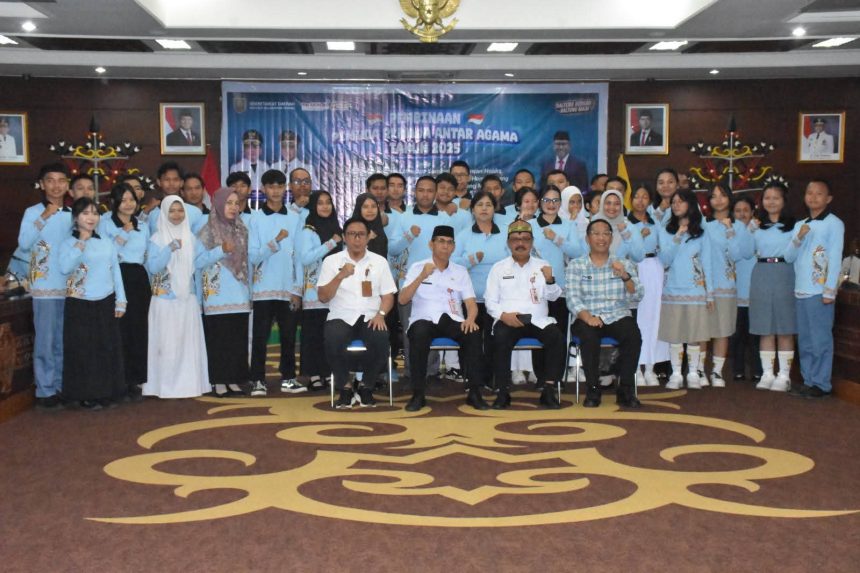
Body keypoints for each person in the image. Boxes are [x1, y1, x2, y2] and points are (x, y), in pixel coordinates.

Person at [400, 225, 487, 411]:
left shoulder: (460, 271)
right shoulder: (417, 267)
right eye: (440, 241)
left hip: (452, 319)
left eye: (449, 243)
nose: (445, 246)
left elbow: (471, 303)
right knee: (419, 334)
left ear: (454, 247)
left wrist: (471, 319)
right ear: (431, 244)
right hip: (423, 319)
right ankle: (418, 393)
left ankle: (474, 392)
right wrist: (421, 276)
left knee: (473, 334)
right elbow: (403, 299)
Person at [484, 219, 566, 409]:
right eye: (515, 239)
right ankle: (503, 392)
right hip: (509, 319)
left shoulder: (542, 265)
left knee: (556, 337)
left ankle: (549, 389)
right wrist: (504, 316)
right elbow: (490, 301)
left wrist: (551, 280)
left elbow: (554, 297)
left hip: (538, 320)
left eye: (525, 239)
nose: (520, 243)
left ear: (532, 242)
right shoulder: (498, 268)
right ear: (508, 243)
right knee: (500, 338)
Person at [318, 217, 397, 409]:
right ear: (344, 237)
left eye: (361, 234)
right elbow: (322, 296)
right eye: (352, 234)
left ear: (368, 237)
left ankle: (366, 386)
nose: (356, 239)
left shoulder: (379, 262)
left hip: (371, 315)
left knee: (381, 338)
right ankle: (344, 386)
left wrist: (381, 314)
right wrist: (340, 275)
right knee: (332, 337)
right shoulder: (332, 261)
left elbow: (388, 295)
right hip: (341, 315)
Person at [567, 219, 644, 408]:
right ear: (587, 238)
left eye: (605, 234)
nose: (601, 238)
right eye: (596, 233)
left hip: (617, 314)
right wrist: (588, 318)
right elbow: (572, 299)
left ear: (611, 238)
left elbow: (639, 294)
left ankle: (625, 389)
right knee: (589, 336)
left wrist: (625, 276)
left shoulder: (623, 264)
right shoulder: (576, 265)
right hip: (588, 315)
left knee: (633, 335)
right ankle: (593, 389)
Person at [59, 197, 127, 410]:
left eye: (95, 213)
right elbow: (64, 267)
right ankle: (85, 394)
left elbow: (115, 270)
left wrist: (121, 300)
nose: (91, 217)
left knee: (106, 348)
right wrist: (81, 242)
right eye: (85, 213)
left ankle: (107, 391)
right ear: (76, 217)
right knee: (83, 350)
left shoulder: (105, 241)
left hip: (105, 299)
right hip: (79, 302)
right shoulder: (68, 242)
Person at [143, 196, 210, 399]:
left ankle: (188, 385)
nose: (177, 215)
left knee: (186, 345)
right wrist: (169, 248)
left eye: (180, 210)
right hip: (164, 300)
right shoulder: (156, 239)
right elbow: (153, 267)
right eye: (171, 211)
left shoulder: (192, 238)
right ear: (163, 213)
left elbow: (199, 265)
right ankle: (163, 386)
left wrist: (220, 252)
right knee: (166, 345)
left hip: (187, 300)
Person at [17, 163, 72, 409]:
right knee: (45, 341)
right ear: (42, 184)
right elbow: (25, 242)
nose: (56, 185)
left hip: (70, 288)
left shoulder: (74, 214)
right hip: (45, 288)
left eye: (61, 180)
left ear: (68, 185)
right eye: (50, 180)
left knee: (63, 341)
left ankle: (60, 386)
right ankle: (45, 390)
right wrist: (43, 217)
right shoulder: (33, 212)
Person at [785, 180, 844, 399]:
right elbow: (789, 257)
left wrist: (830, 290)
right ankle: (809, 380)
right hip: (800, 290)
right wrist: (798, 237)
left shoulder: (833, 223)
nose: (813, 197)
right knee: (806, 340)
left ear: (828, 199)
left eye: (819, 194)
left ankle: (821, 384)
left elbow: (836, 257)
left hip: (819, 292)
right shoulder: (801, 224)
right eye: (809, 192)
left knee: (820, 339)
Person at [248, 170, 304, 396]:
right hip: (262, 289)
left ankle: (289, 377)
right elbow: (252, 257)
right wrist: (275, 242)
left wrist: (298, 288)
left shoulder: (294, 217)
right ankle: (257, 380)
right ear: (263, 189)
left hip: (287, 287)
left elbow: (299, 255)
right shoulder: (255, 218)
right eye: (270, 186)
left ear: (286, 188)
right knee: (260, 336)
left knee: (289, 336)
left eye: (279, 186)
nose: (275, 191)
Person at [388, 176, 448, 376]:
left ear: (435, 193)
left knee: (433, 326)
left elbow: (451, 250)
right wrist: (409, 235)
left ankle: (431, 371)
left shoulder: (443, 218)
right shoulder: (404, 217)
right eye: (421, 190)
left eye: (429, 191)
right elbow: (393, 249)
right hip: (410, 283)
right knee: (409, 329)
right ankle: (413, 371)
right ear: (415, 192)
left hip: (437, 282)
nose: (425, 194)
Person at [197, 187, 252, 398]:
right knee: (219, 340)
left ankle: (234, 380)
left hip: (239, 292)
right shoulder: (207, 231)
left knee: (236, 339)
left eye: (236, 203)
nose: (233, 207)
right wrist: (221, 250)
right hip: (217, 294)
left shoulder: (241, 229)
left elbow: (246, 263)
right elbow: (198, 262)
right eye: (228, 203)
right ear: (218, 204)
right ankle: (219, 381)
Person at [453, 191, 510, 390]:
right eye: (480, 205)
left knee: (495, 340)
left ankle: (492, 379)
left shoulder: (505, 233)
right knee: (471, 340)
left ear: (495, 209)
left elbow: (514, 262)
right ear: (472, 210)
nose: (484, 208)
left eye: (488, 205)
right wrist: (471, 260)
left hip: (499, 299)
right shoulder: (463, 235)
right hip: (471, 299)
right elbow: (452, 266)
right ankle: (471, 379)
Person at [98, 183, 151, 400]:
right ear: (115, 202)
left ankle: (135, 381)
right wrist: (123, 234)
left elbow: (146, 256)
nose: (129, 204)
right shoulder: (104, 223)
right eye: (124, 199)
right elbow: (104, 253)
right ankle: (117, 379)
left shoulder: (143, 225)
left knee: (138, 330)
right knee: (119, 329)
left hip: (138, 279)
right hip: (115, 277)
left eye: (132, 199)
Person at [658, 190, 713, 390]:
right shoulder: (666, 230)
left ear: (690, 204)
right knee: (675, 334)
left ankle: (692, 373)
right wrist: (678, 235)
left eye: (681, 202)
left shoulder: (701, 232)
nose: (676, 205)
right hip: (673, 289)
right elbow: (664, 260)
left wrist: (710, 292)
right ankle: (675, 374)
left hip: (696, 290)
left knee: (693, 334)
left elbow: (707, 263)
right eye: (673, 202)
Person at [701, 184, 754, 387]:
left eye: (723, 195)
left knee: (722, 330)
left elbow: (739, 255)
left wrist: (730, 231)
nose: (718, 200)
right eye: (713, 196)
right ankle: (698, 370)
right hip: (704, 285)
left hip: (727, 285)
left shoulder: (739, 227)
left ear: (729, 198)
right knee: (702, 330)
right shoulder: (703, 225)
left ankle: (717, 372)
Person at [299, 191, 343, 391]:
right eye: (320, 203)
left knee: (330, 335)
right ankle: (314, 374)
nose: (325, 207)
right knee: (313, 335)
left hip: (335, 293)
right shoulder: (308, 230)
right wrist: (331, 243)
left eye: (328, 203)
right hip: (314, 293)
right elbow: (306, 259)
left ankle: (327, 372)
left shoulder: (337, 229)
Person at [529, 185, 585, 337]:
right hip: (536, 288)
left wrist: (556, 238)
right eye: (546, 199)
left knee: (559, 337)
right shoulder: (530, 225)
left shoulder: (568, 225)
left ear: (561, 203)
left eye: (555, 200)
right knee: (539, 336)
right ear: (540, 202)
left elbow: (577, 252)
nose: (551, 204)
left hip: (560, 288)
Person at [627, 183, 668, 387]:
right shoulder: (625, 223)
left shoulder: (655, 223)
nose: (640, 201)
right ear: (631, 199)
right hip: (635, 268)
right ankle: (636, 366)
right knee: (638, 319)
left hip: (654, 268)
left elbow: (663, 246)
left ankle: (651, 366)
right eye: (637, 196)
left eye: (645, 197)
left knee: (654, 317)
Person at [729, 196, 762, 383]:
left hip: (755, 291)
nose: (742, 214)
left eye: (746, 210)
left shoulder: (758, 231)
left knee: (755, 336)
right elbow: (736, 254)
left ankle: (758, 370)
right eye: (738, 210)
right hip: (735, 291)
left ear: (752, 212)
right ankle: (738, 369)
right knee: (737, 335)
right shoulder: (730, 231)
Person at [148, 162, 205, 234]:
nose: (171, 183)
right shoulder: (152, 212)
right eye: (167, 179)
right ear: (159, 182)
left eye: (175, 180)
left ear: (181, 183)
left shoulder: (194, 212)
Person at [229, 129, 269, 194]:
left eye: (255, 147)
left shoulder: (266, 166)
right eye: (248, 147)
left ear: (260, 150)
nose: (252, 150)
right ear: (244, 150)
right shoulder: (235, 168)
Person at [351, 192, 388, 258]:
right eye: (365, 207)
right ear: (359, 209)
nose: (370, 210)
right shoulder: (351, 232)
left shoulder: (379, 230)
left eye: (373, 206)